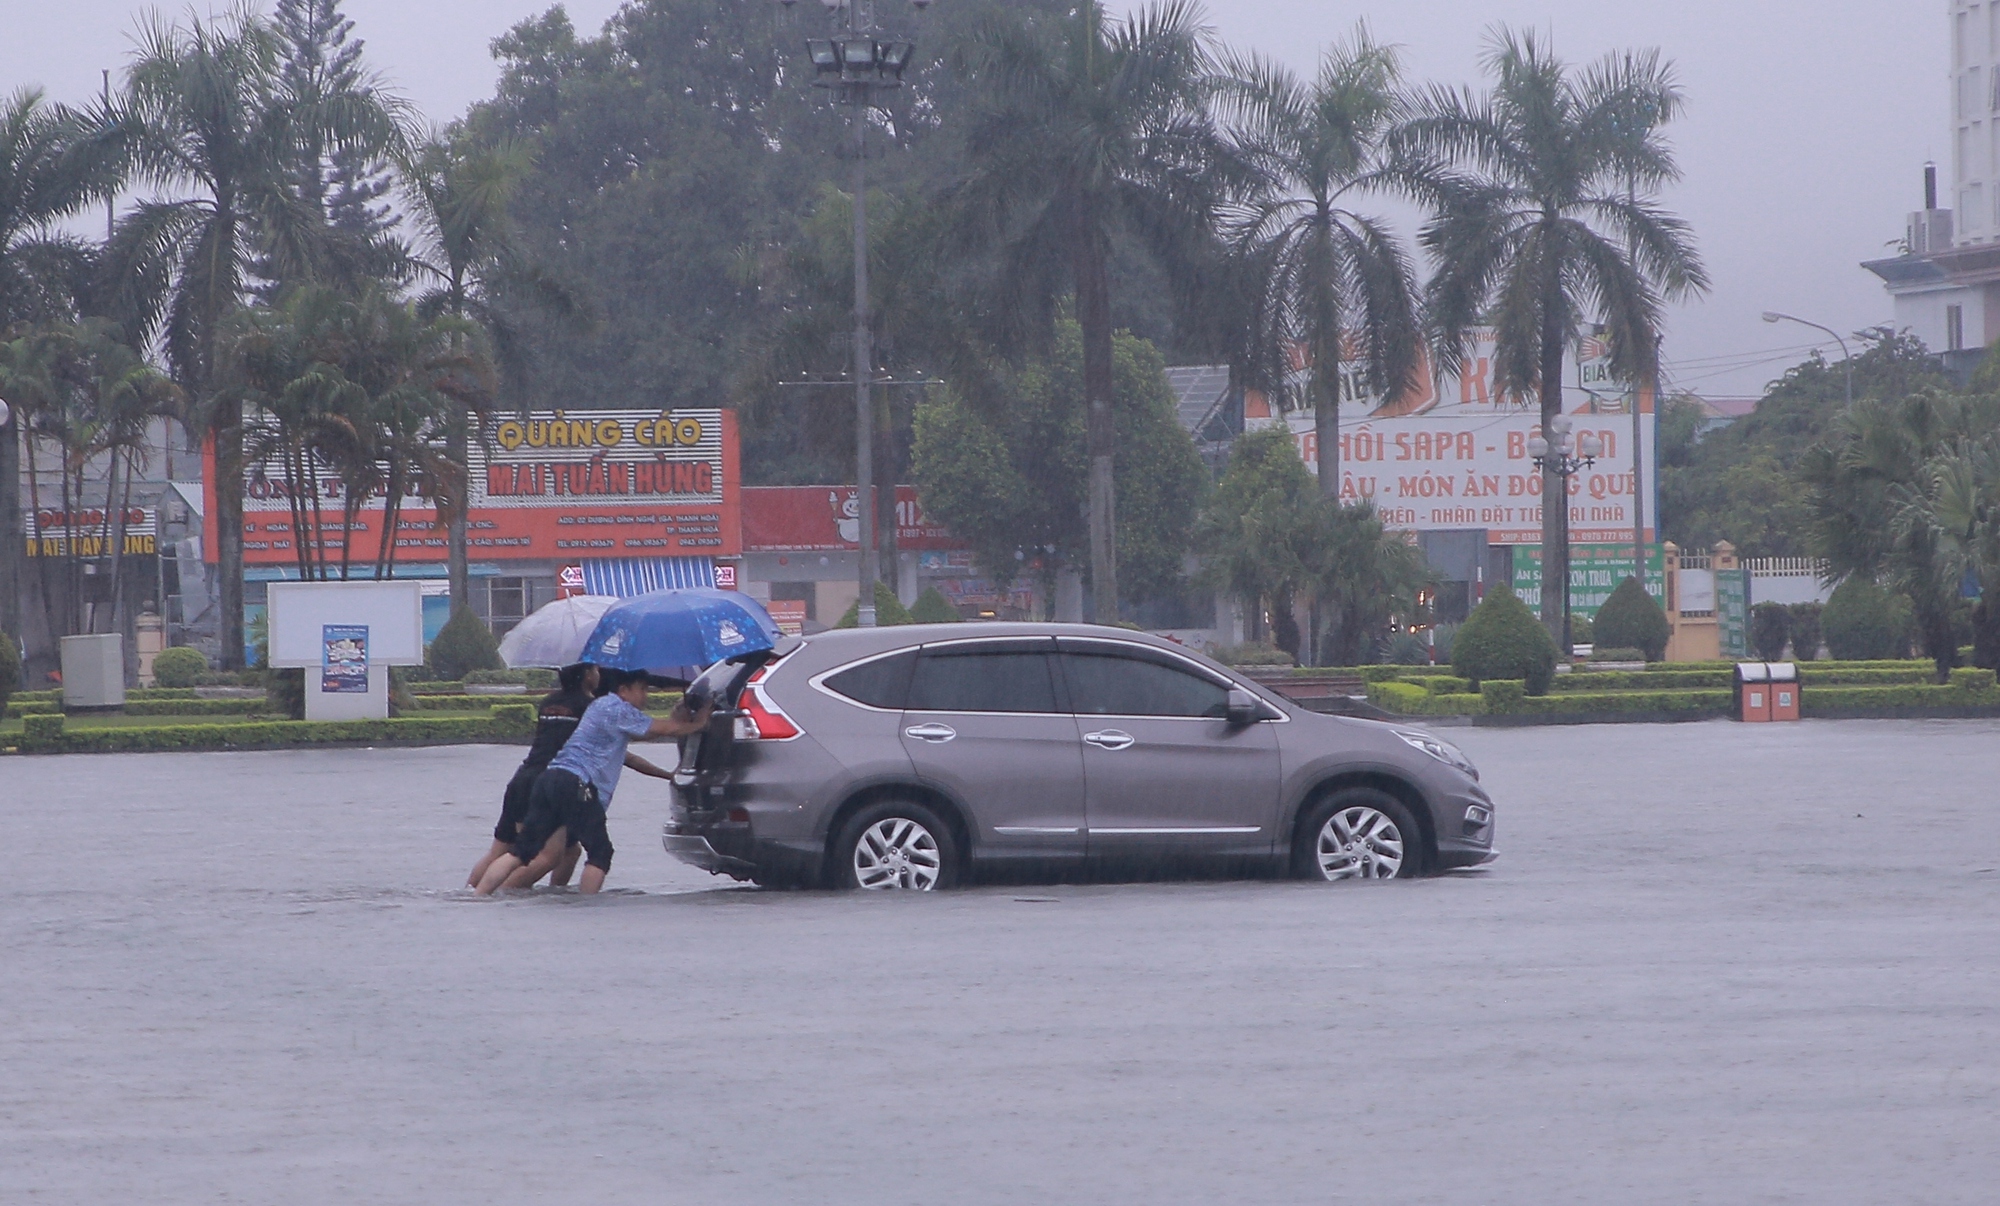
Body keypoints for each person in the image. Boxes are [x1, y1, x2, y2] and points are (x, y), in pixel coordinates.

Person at [474, 669, 713, 895]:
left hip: (549, 779)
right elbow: (664, 728)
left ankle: (478, 895)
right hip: (576, 783)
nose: (645, 696)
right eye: (642, 689)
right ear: (623, 689)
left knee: (522, 850)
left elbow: (651, 731)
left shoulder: (601, 706)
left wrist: (681, 720)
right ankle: (587, 906)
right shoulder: (617, 708)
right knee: (600, 852)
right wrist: (700, 722)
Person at [466, 662, 599, 889]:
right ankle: (502, 891)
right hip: (548, 784)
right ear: (586, 674)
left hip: (522, 777)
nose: (599, 674)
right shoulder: (590, 707)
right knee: (545, 856)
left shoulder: (549, 702)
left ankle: (470, 893)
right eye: (596, 669)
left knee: (504, 850)